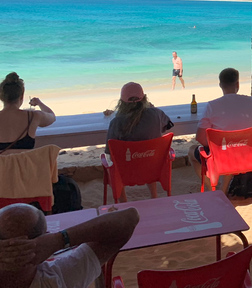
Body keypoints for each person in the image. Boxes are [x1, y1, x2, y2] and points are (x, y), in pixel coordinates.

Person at [0, 203, 139, 288]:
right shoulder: (60, 279)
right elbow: (130, 218)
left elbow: (129, 218)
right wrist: (59, 240)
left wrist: (57, 240)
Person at [187, 68, 252, 194]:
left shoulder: (212, 106)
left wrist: (218, 145)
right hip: (249, 156)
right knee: (227, 148)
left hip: (223, 158)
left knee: (192, 151)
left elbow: (200, 138)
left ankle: (211, 188)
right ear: (238, 84)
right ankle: (223, 189)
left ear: (220, 85)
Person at [105, 82, 173, 201]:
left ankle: (123, 201)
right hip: (153, 168)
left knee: (116, 162)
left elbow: (110, 154)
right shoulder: (156, 114)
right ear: (144, 99)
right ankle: (154, 196)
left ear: (121, 102)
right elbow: (167, 125)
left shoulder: (116, 122)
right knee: (149, 152)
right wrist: (151, 109)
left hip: (125, 174)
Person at [0, 73, 56, 153]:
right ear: (21, 96)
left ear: (1, 97)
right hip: (25, 165)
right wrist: (39, 103)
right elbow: (52, 117)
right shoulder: (33, 116)